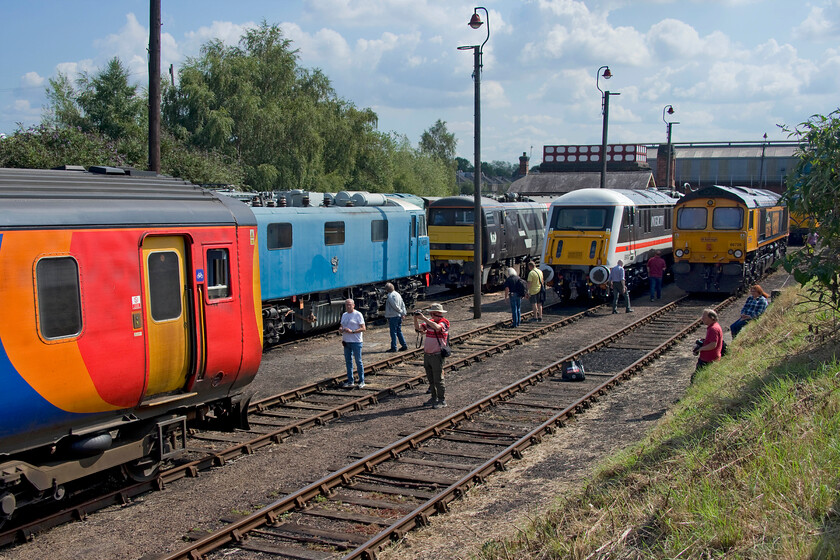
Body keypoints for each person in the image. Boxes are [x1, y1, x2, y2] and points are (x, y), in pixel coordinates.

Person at [414, 303, 450, 409]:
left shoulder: (444, 322)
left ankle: (442, 400)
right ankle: (433, 398)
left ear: (438, 314)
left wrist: (424, 318)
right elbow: (419, 329)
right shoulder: (430, 322)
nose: (431, 316)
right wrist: (415, 319)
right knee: (431, 379)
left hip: (437, 354)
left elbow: (438, 328)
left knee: (438, 379)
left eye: (432, 314)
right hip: (428, 354)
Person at [338, 299, 366, 388]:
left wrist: (352, 331)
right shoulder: (344, 315)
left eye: (349, 304)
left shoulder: (358, 314)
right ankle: (350, 381)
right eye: (346, 305)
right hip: (346, 341)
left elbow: (363, 328)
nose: (348, 306)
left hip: (356, 342)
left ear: (353, 305)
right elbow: (342, 326)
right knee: (348, 362)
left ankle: (362, 381)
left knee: (358, 361)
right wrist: (341, 329)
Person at [692, 308, 723, 380]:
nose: (702, 318)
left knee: (696, 378)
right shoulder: (714, 326)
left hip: (708, 359)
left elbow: (713, 345)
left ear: (711, 318)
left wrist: (700, 349)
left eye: (704, 317)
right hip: (711, 357)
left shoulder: (713, 329)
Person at [384, 283, 409, 352]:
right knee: (399, 331)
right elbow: (402, 304)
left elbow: (394, 306)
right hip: (398, 316)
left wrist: (401, 312)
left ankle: (394, 347)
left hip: (393, 316)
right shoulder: (398, 294)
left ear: (387, 290)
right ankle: (404, 345)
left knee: (393, 332)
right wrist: (403, 313)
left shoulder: (390, 296)